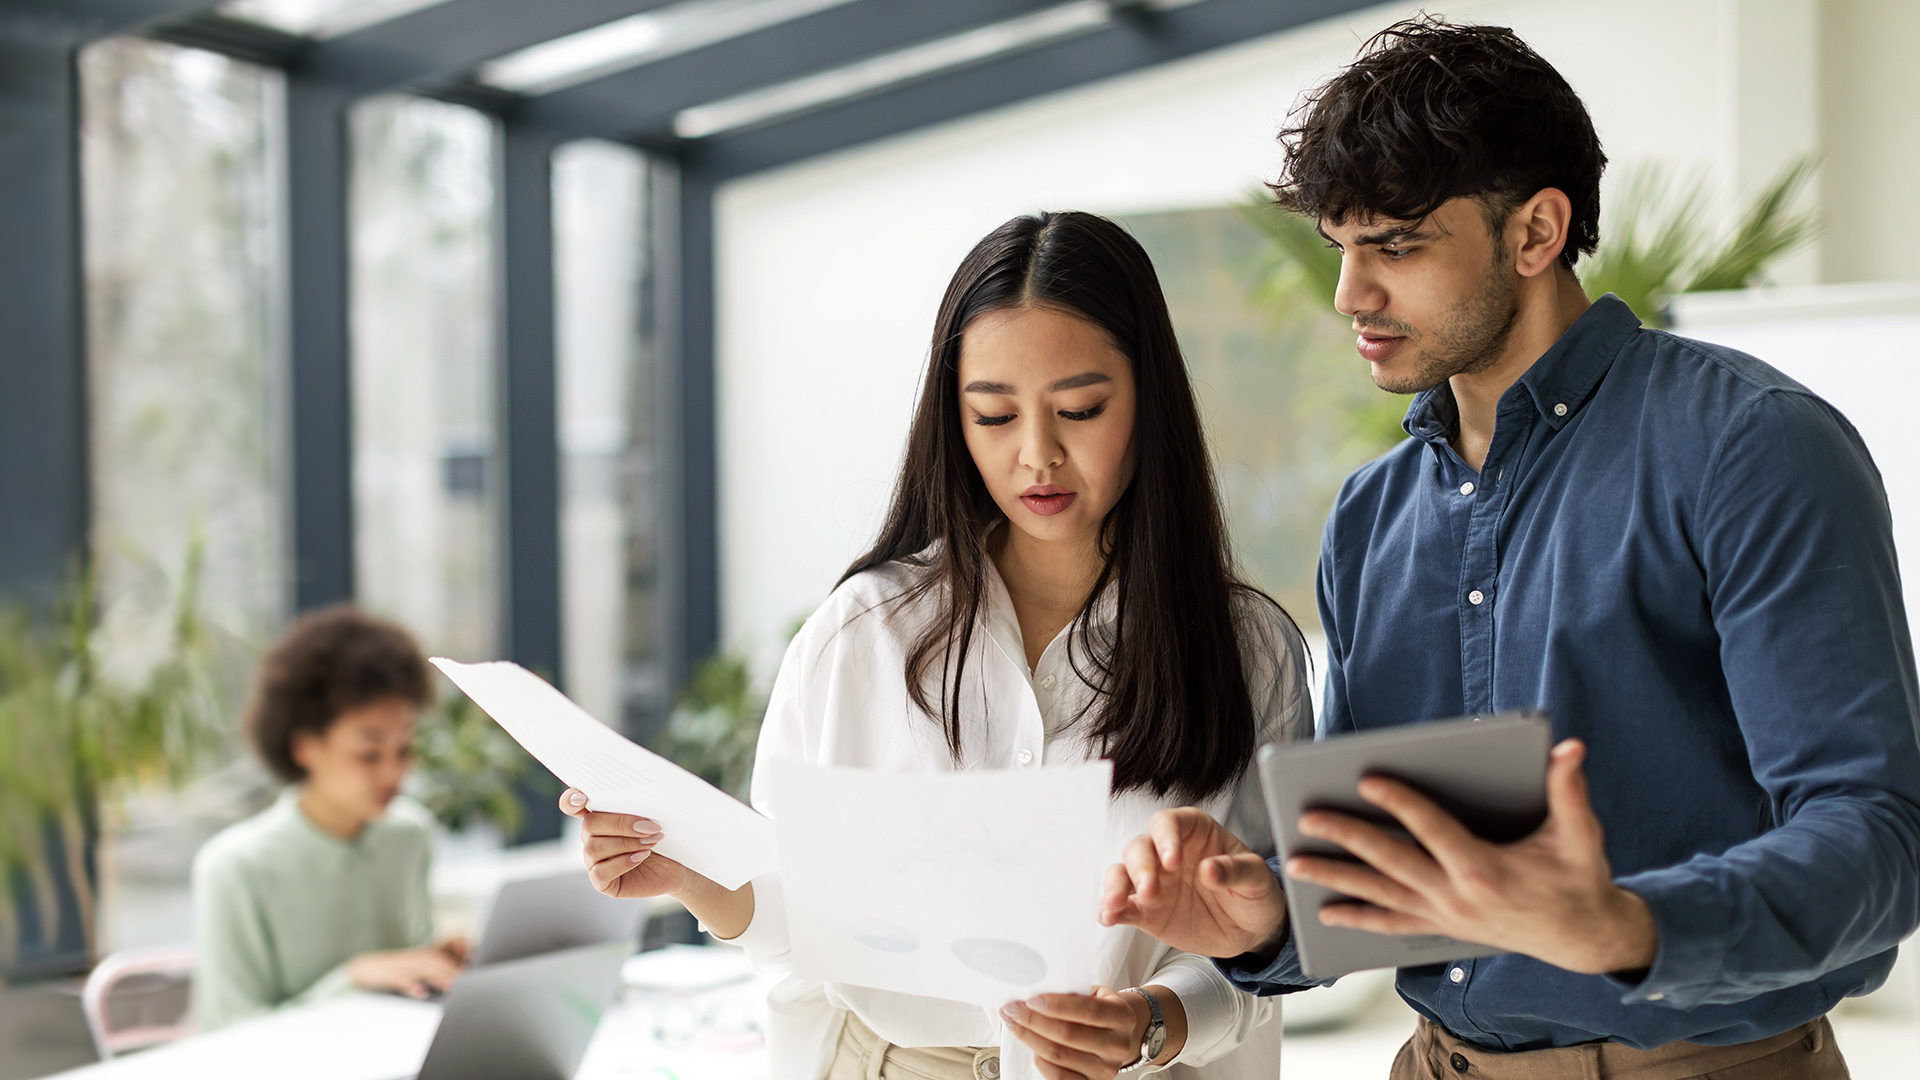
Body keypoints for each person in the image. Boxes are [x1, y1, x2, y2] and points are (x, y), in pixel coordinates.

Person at [1098, 16, 1920, 1080]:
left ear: (1536, 232)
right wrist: (1272, 916)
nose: (1351, 295)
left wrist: (1630, 926)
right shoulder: (1371, 516)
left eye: (1396, 246)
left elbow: (1879, 834)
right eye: (1341, 247)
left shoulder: (1751, 447)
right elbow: (1391, 873)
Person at [562, 211, 1314, 1080]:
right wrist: (686, 873)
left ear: (1150, 401)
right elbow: (799, 917)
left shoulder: (1245, 651)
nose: (1037, 455)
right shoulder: (864, 631)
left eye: (1080, 409)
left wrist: (1151, 1020)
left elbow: (1268, 945)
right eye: (994, 415)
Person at [192, 605, 467, 1030]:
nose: (394, 773)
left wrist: (432, 963)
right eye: (368, 754)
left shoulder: (409, 835)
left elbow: (407, 981)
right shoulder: (235, 867)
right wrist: (352, 980)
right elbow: (230, 1028)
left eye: (405, 749)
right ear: (305, 747)